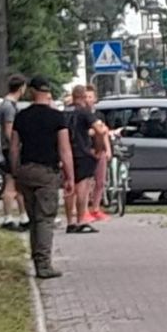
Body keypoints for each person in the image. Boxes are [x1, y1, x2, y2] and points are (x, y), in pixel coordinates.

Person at [11, 76, 74, 279]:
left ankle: (35, 257)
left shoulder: (21, 116)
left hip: (26, 171)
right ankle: (44, 265)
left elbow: (14, 148)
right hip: (47, 172)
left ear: (31, 91)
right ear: (48, 92)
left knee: (33, 218)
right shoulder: (57, 118)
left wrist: (15, 172)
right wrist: (70, 177)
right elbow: (65, 150)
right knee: (45, 219)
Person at [63, 85, 104, 233]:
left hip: (66, 153)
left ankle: (69, 222)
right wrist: (99, 150)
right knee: (82, 188)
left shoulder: (64, 113)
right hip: (83, 153)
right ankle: (80, 220)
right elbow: (99, 130)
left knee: (69, 187)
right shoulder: (84, 112)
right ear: (82, 96)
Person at [0, 74, 29, 231]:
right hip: (11, 150)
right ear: (21, 87)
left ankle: (24, 216)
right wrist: (17, 146)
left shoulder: (6, 105)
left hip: (10, 149)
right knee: (11, 184)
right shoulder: (9, 106)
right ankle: (8, 218)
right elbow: (9, 131)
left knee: (19, 184)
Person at [84, 86, 111, 221]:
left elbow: (104, 132)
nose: (88, 99)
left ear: (95, 99)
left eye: (90, 97)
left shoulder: (99, 115)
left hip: (100, 150)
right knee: (87, 181)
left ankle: (96, 208)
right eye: (86, 96)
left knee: (100, 181)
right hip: (87, 151)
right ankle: (84, 210)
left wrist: (108, 149)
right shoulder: (82, 115)